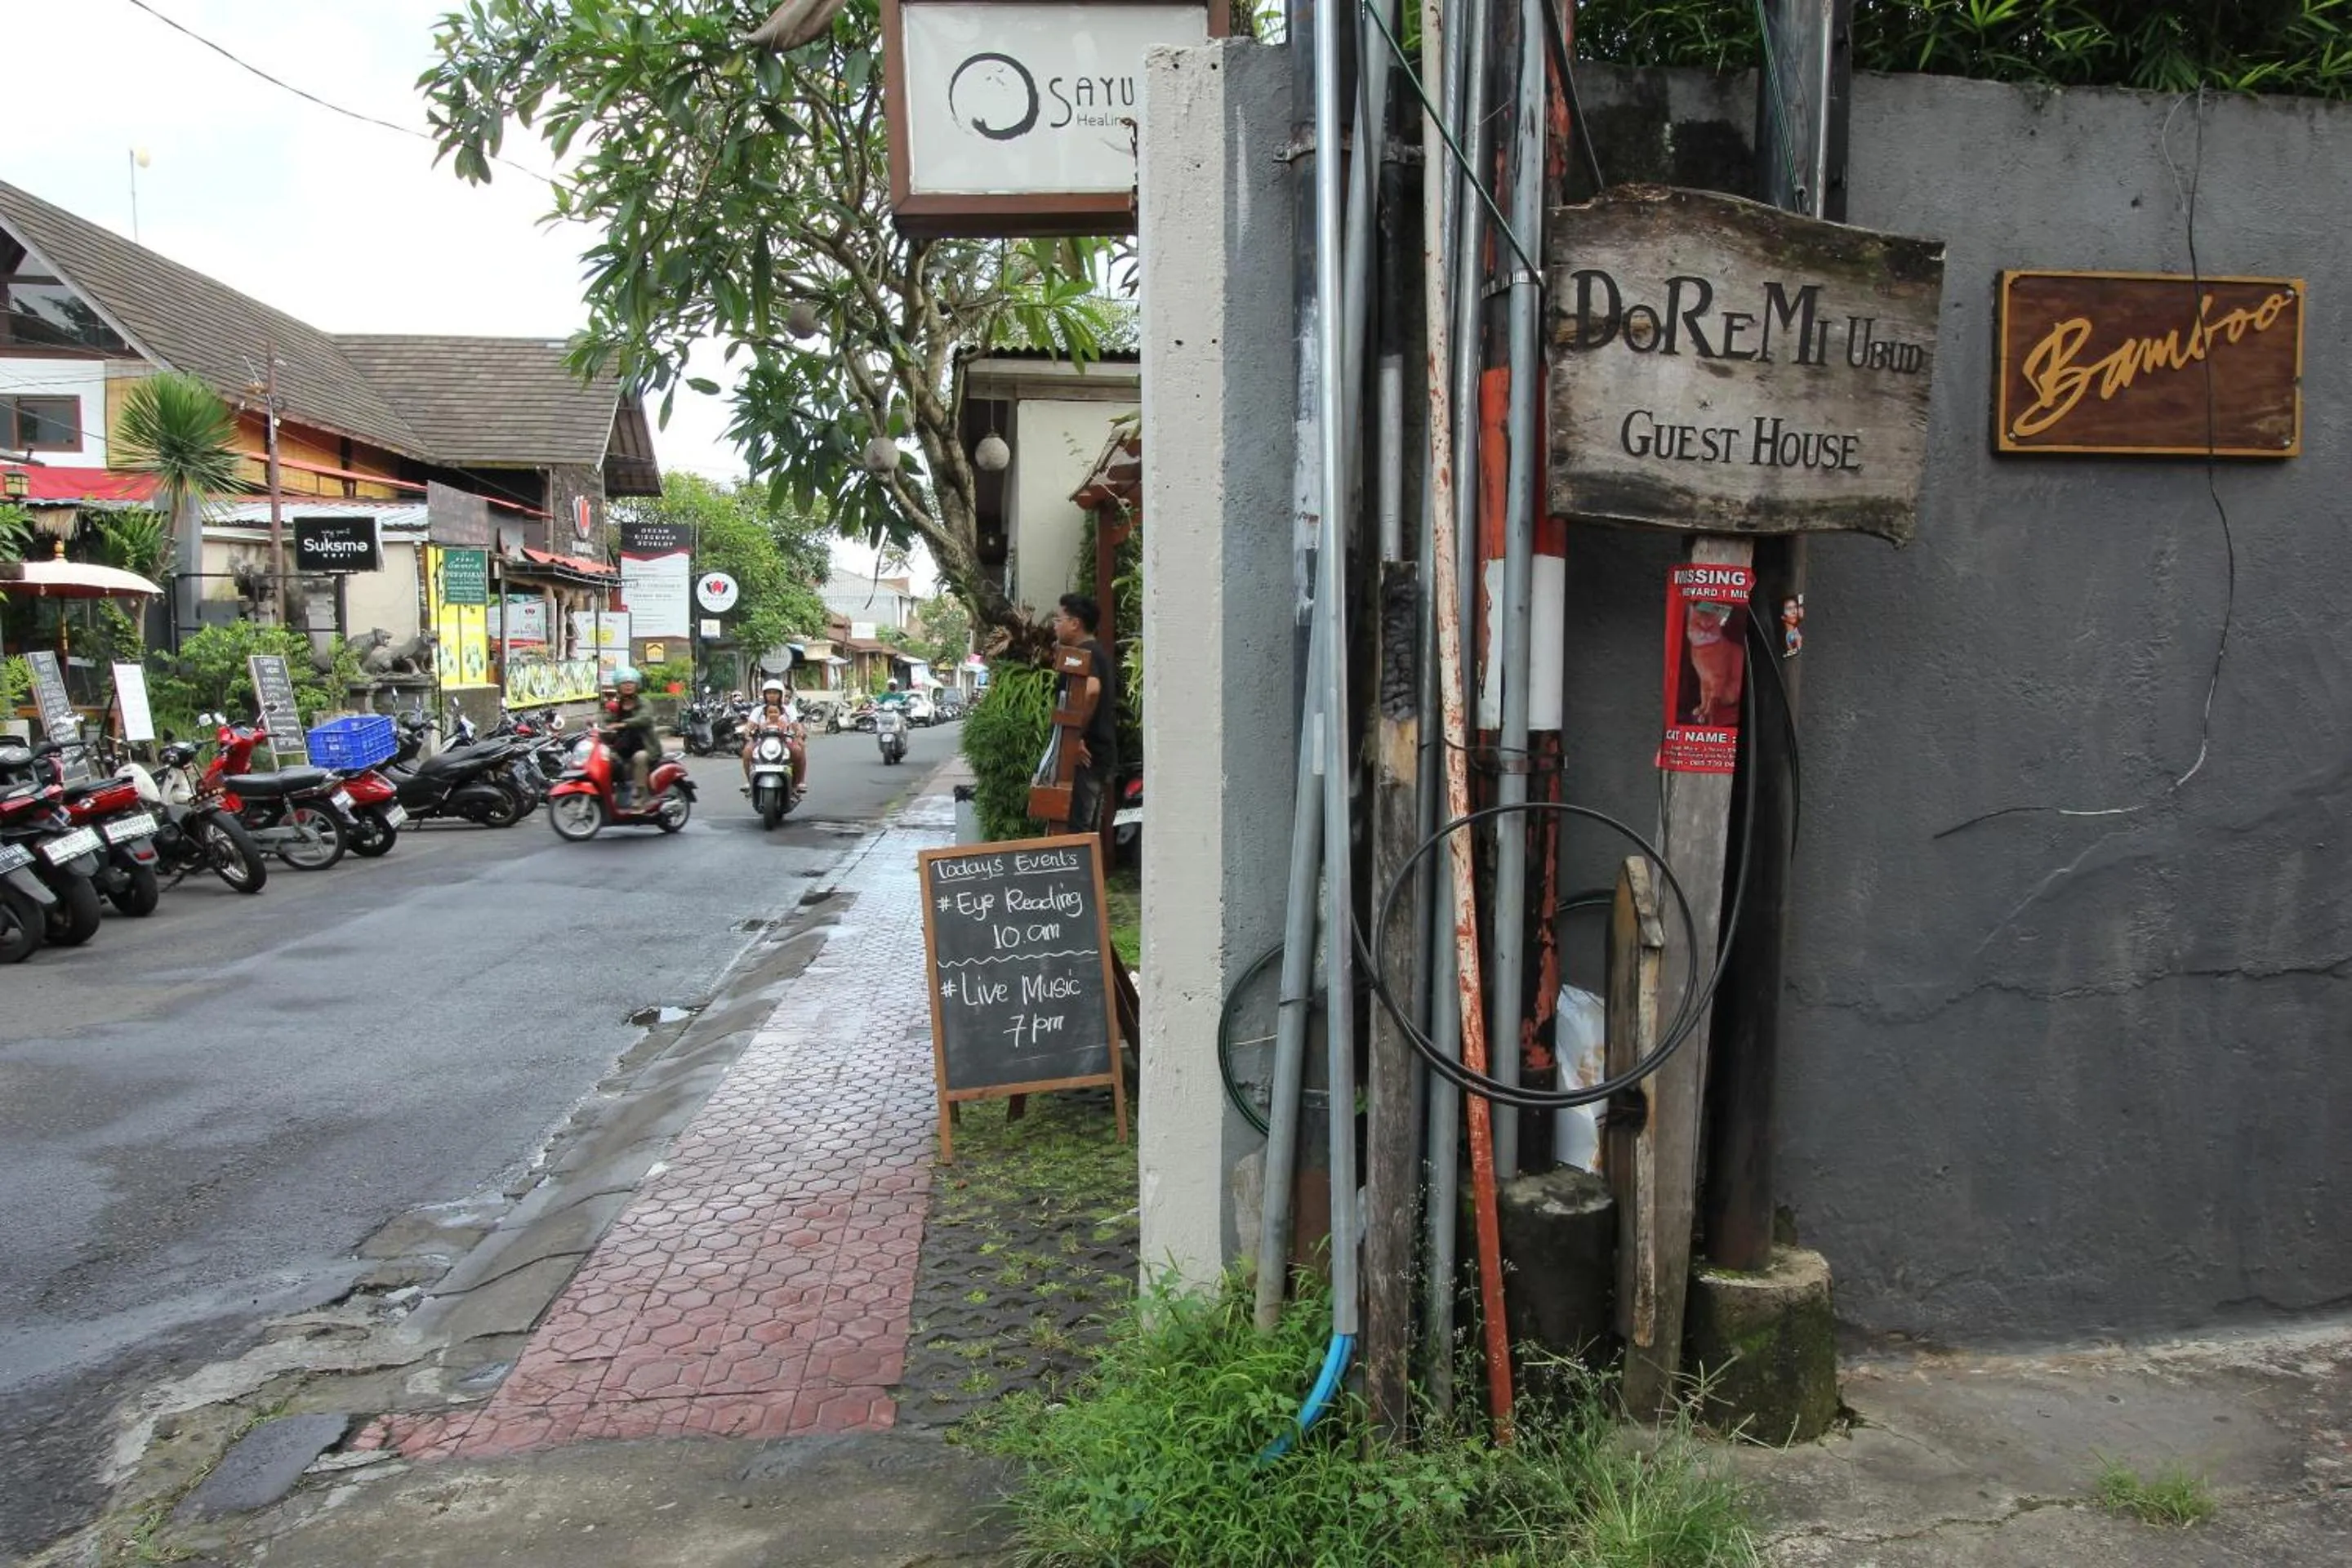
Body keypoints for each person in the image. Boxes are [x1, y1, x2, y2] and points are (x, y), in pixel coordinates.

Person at [1052, 592, 1120, 835]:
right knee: (1086, 830)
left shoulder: (1083, 654)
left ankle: (1079, 875)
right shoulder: (1094, 653)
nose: (1055, 626)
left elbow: (1091, 690)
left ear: (1075, 623)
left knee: (1078, 830)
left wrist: (1075, 735)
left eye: (1058, 620)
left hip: (1087, 756)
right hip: (1096, 756)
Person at [741, 678, 807, 800]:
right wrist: (746, 733)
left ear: (781, 695)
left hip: (784, 742)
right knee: (747, 751)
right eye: (769, 693)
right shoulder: (758, 711)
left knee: (798, 750)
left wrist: (799, 732)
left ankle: (797, 783)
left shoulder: (788, 711)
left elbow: (796, 725)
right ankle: (750, 782)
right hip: (762, 742)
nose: (772, 696)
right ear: (765, 695)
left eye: (775, 693)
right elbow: (749, 726)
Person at [604, 664, 655, 807]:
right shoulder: (616, 706)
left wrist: (623, 724)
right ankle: (617, 790)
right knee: (605, 759)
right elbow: (607, 722)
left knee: (639, 758)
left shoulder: (644, 703)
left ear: (637, 685)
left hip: (645, 746)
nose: (628, 686)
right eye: (624, 683)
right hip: (624, 747)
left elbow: (644, 718)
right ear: (618, 686)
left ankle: (640, 795)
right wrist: (597, 726)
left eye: (631, 682)